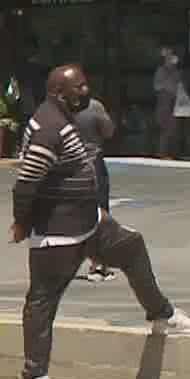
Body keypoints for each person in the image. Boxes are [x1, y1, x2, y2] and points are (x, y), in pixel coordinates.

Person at [12, 65, 190, 379]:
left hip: (88, 222)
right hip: (58, 232)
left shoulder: (63, 118)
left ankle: (162, 313)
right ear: (61, 92)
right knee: (42, 301)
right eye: (80, 87)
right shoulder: (49, 126)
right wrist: (21, 222)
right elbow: (27, 182)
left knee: (131, 247)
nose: (86, 92)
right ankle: (35, 378)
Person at [73, 94, 118, 282]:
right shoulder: (93, 106)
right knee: (99, 213)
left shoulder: (54, 109)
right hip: (91, 163)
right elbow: (109, 132)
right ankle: (98, 263)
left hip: (67, 165)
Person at [152, 48, 188, 158]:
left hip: (175, 105)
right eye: (169, 58)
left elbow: (181, 86)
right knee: (166, 129)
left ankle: (172, 153)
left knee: (175, 130)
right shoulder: (161, 71)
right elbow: (157, 86)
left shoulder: (177, 72)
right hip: (165, 105)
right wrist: (170, 87)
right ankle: (162, 153)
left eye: (172, 58)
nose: (172, 60)